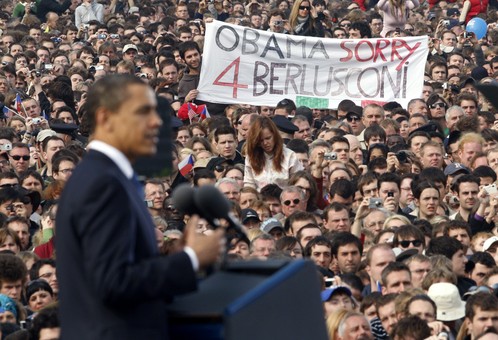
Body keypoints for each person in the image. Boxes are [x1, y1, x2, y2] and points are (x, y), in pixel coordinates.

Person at [56, 75, 224, 339]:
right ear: (105, 118)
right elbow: (113, 283)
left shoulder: (107, 176)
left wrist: (173, 255)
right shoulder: (102, 182)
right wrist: (190, 260)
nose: (156, 121)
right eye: (143, 112)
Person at [244, 116, 303, 190]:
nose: (265, 143)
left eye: (268, 138)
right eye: (261, 140)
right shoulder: (251, 157)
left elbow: (298, 184)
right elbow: (249, 184)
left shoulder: (290, 156)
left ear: (275, 135)